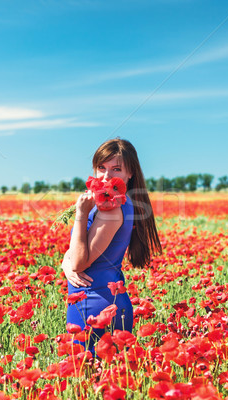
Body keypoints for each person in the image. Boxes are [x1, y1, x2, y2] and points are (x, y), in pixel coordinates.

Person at [62, 138, 161, 354]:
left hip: (94, 304)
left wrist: (80, 214)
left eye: (116, 169)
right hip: (105, 299)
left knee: (87, 379)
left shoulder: (112, 210)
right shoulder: (116, 203)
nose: (106, 176)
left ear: (130, 173)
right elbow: (78, 251)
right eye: (101, 168)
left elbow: (79, 262)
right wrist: (65, 262)